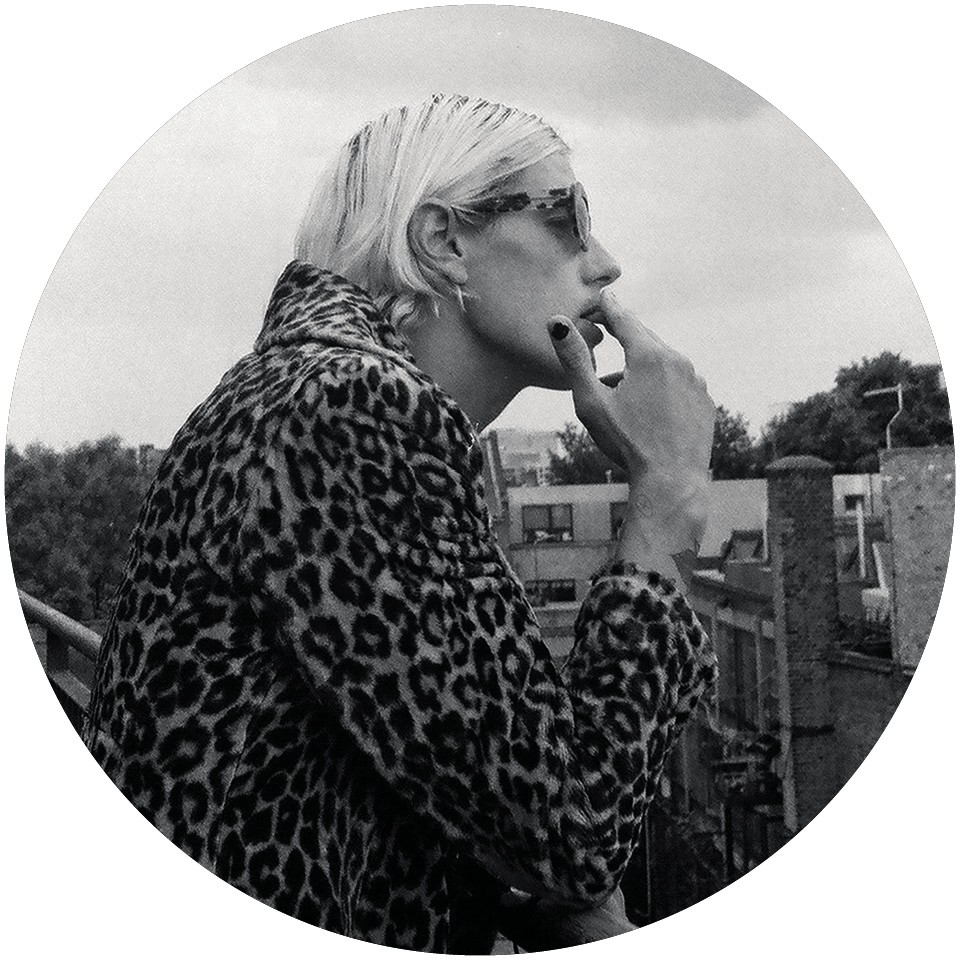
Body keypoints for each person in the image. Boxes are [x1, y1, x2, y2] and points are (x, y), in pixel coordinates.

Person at [82, 93, 718, 953]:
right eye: (569, 217)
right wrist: (668, 494)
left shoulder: (308, 395)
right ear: (443, 240)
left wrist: (487, 870)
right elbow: (569, 827)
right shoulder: (347, 409)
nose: (605, 263)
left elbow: (446, 753)